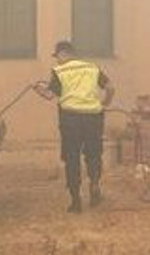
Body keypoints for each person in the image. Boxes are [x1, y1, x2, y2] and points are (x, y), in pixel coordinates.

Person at [34, 40, 114, 213]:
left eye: (57, 57)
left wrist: (37, 89)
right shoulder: (91, 67)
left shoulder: (59, 71)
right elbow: (110, 87)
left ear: (62, 54)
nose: (57, 61)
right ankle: (94, 185)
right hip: (93, 117)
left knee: (72, 157)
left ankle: (76, 200)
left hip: (71, 119)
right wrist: (105, 102)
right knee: (93, 154)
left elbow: (49, 95)